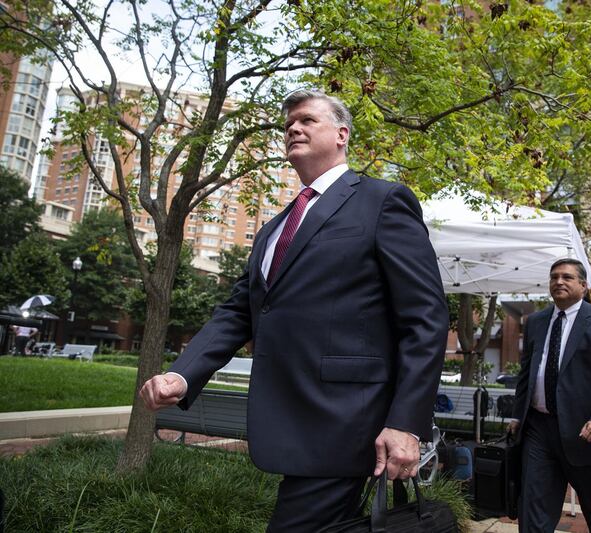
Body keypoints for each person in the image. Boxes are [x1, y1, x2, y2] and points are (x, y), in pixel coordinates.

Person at [139, 89, 449, 531]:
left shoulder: (383, 202)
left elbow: (426, 318)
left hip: (347, 424)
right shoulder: (273, 228)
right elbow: (238, 313)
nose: (293, 130)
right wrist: (182, 374)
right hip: (290, 423)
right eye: (287, 126)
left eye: (306, 120)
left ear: (342, 134)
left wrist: (406, 424)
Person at [508, 258, 591, 533]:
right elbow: (526, 374)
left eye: (567, 277)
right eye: (554, 277)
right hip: (538, 430)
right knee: (533, 510)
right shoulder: (536, 322)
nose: (559, 282)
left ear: (583, 285)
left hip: (586, 431)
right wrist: (518, 415)